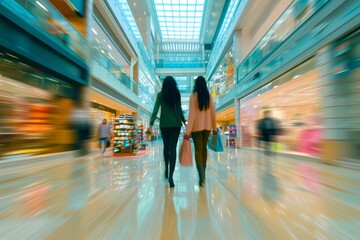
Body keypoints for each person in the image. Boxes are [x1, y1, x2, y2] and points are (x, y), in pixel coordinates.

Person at [149, 76, 186, 188]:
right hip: (175, 125)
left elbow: (155, 110)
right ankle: (171, 177)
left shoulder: (161, 95)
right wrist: (184, 122)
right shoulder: (177, 94)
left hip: (164, 125)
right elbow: (179, 110)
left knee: (166, 147)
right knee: (173, 149)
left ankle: (166, 166)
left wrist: (150, 124)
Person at [184, 76, 216, 187]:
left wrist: (187, 131)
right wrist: (215, 128)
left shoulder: (193, 97)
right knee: (204, 149)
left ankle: (201, 175)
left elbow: (191, 115)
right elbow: (213, 114)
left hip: (196, 128)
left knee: (198, 149)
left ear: (196, 84)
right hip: (207, 128)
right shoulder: (209, 97)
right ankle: (204, 174)